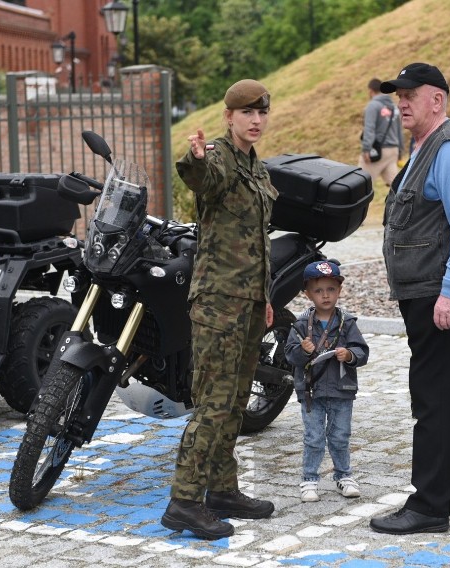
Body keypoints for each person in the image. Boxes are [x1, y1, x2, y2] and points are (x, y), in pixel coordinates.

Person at [369, 63, 450, 535]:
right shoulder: (425, 147)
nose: (401, 102)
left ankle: (429, 505)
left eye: (411, 94)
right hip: (428, 291)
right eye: (399, 94)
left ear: (436, 99)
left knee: (433, 397)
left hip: (439, 292)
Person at [161, 79, 277, 540]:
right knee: (213, 400)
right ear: (228, 117)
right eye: (246, 113)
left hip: (249, 302)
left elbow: (259, 244)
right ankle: (184, 500)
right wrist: (196, 158)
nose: (255, 120)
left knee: (235, 400)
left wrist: (266, 297)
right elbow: (201, 178)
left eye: (261, 113)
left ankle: (222, 490)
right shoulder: (222, 159)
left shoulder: (257, 167)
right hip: (218, 301)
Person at [284, 261, 370, 503]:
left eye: (331, 289)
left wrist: (350, 355)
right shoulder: (300, 325)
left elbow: (362, 351)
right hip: (311, 391)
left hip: (342, 389)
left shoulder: (347, 322)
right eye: (319, 290)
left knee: (341, 436)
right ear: (308, 293)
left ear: (339, 290)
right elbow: (289, 355)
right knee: (313, 437)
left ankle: (344, 475)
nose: (325, 295)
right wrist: (302, 350)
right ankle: (309, 479)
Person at [359, 77, 405, 186]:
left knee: (360, 185)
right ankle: (409, 203)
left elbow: (369, 129)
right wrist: (400, 151)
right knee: (396, 188)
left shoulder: (372, 106)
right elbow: (399, 131)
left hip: (378, 151)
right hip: (393, 151)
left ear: (370, 91)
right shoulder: (394, 108)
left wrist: (366, 149)